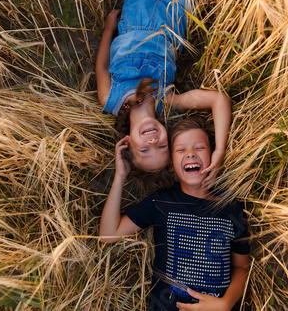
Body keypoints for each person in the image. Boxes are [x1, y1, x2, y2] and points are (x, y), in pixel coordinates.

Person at [99, 117, 251, 311]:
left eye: (199, 148)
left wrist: (226, 303)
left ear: (212, 157)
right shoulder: (161, 202)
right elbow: (108, 234)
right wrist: (120, 175)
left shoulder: (231, 207)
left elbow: (241, 267)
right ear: (171, 165)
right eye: (181, 150)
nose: (190, 154)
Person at [95, 0, 231, 188]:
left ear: (127, 143)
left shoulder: (111, 99)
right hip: (172, 26)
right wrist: (219, 151)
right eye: (162, 146)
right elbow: (218, 100)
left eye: (145, 150)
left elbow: (102, 67)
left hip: (136, 14)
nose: (153, 142)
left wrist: (107, 31)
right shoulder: (166, 99)